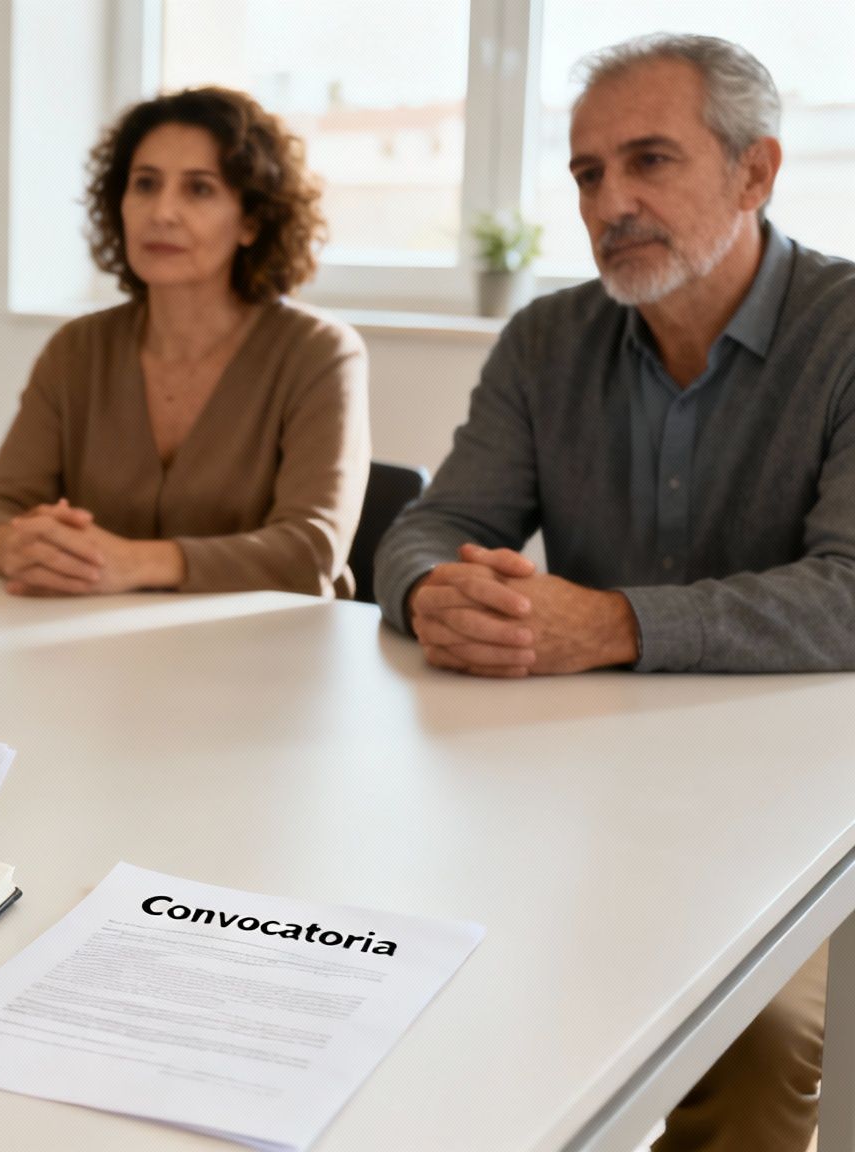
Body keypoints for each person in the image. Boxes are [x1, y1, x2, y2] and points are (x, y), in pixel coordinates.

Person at [374, 34, 849, 1152]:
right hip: (575, 788)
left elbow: (846, 593)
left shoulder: (842, 333)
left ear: (754, 171)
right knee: (410, 966)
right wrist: (432, 591)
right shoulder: (547, 338)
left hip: (792, 807)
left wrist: (615, 622)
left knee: (758, 1044)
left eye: (647, 162)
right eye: (587, 174)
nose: (609, 202)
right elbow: (431, 526)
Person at [0, 87, 370, 598]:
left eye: (199, 190)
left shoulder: (319, 353)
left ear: (252, 220)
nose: (162, 212)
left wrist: (134, 562)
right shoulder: (78, 349)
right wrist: (13, 547)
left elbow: (311, 549)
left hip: (272, 655)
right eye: (145, 184)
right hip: (98, 651)